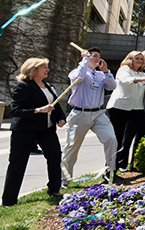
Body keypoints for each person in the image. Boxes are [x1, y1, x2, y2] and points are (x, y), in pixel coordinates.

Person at [1, 58, 67, 206]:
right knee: (17, 163)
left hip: (47, 129)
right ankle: (9, 200)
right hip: (25, 130)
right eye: (44, 67)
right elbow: (16, 110)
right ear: (33, 69)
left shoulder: (48, 87)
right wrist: (38, 110)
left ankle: (54, 189)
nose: (47, 70)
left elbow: (56, 106)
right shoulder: (23, 86)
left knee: (55, 156)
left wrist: (61, 118)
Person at [61, 47, 118, 186]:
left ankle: (110, 172)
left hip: (98, 113)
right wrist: (84, 60)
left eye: (98, 56)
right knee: (72, 146)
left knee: (111, 138)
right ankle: (64, 179)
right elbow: (78, 78)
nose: (97, 58)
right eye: (94, 56)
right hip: (79, 114)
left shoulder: (100, 75)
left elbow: (112, 86)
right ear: (86, 57)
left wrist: (106, 72)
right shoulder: (78, 71)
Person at [106, 51, 145, 171]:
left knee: (143, 132)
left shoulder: (142, 73)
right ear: (130, 59)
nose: (139, 61)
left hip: (136, 107)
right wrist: (143, 78)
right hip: (119, 107)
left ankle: (137, 161)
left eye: (141, 59)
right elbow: (126, 80)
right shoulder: (124, 69)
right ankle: (113, 167)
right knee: (118, 137)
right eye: (137, 58)